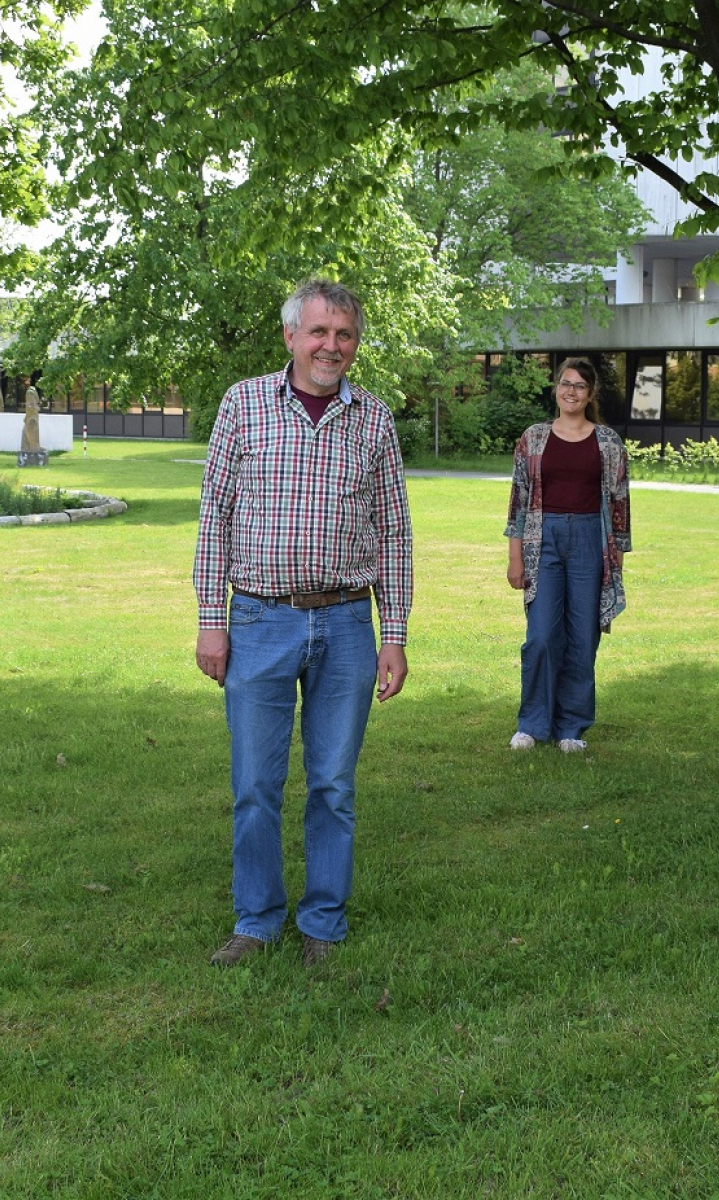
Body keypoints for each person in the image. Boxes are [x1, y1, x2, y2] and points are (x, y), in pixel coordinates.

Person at [193, 278, 413, 968]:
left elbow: (395, 534)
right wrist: (211, 620)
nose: (331, 345)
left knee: (333, 785)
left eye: (344, 334)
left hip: (347, 625)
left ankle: (323, 923)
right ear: (291, 335)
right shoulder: (243, 404)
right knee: (256, 784)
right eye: (318, 332)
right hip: (258, 619)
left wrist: (395, 633)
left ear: (356, 344)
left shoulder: (373, 419)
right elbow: (214, 518)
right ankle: (256, 921)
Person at [504, 358, 631, 753]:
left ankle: (571, 727)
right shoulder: (534, 438)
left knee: (582, 636)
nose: (570, 391)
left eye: (579, 386)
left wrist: (617, 558)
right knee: (541, 635)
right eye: (565, 383)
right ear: (556, 389)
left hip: (591, 541)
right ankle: (532, 723)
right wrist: (514, 557)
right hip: (543, 539)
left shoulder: (608, 442)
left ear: (590, 394)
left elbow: (620, 502)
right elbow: (519, 500)